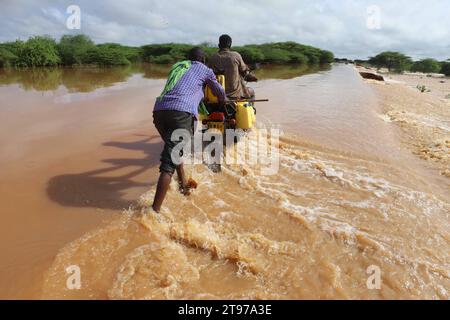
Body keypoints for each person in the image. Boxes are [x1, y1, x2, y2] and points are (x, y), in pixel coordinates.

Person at [152, 47, 226, 213]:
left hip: (159, 112)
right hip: (181, 113)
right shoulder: (205, 69)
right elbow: (219, 90)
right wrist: (223, 101)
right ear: (204, 60)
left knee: (174, 152)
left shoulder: (179, 67)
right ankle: (153, 213)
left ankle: (183, 184)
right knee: (167, 165)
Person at [209, 34, 258, 99]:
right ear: (230, 45)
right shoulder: (235, 56)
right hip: (235, 94)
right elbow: (244, 70)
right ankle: (252, 107)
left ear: (219, 45)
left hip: (216, 94)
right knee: (252, 92)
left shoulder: (213, 57)